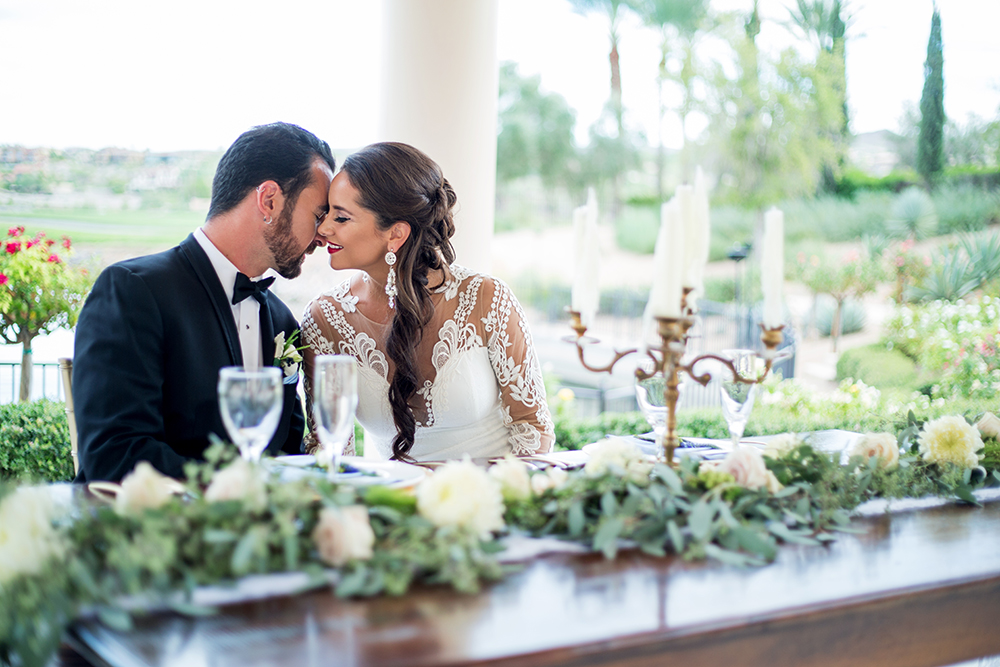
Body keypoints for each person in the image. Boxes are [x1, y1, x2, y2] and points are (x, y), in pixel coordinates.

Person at [74, 122, 335, 482]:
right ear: (269, 200)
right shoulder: (132, 291)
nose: (323, 234)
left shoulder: (281, 322)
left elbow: (284, 456)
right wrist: (233, 492)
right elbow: (115, 454)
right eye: (319, 215)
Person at [301, 142, 554, 461]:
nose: (322, 230)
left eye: (341, 218)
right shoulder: (324, 319)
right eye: (326, 214)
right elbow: (330, 447)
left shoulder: (486, 299)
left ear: (395, 234)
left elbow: (532, 429)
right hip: (386, 503)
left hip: (494, 498)